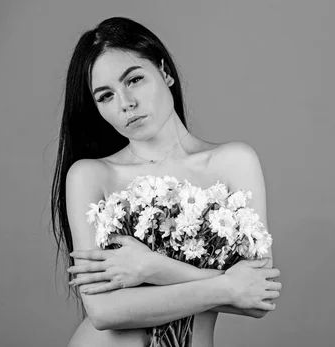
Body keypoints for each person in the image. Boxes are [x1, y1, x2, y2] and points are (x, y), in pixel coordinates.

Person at [50, 17, 281, 347]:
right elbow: (103, 311)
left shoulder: (234, 163)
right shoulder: (92, 176)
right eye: (105, 96)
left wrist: (151, 268)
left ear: (165, 72)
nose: (125, 103)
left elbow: (259, 294)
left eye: (135, 80)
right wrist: (227, 285)